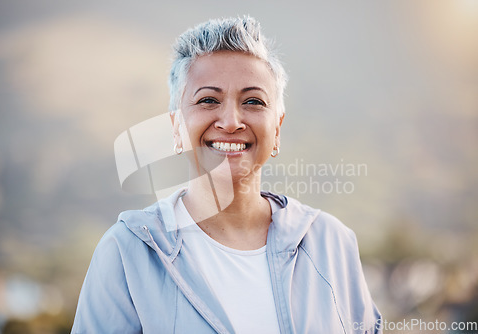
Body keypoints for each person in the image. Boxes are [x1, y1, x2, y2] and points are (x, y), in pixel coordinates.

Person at [71, 16, 382, 334]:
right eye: (208, 100)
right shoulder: (127, 252)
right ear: (177, 128)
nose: (231, 121)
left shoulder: (331, 243)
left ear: (277, 129)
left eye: (253, 101)